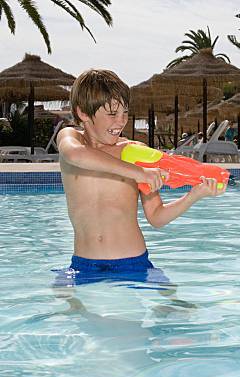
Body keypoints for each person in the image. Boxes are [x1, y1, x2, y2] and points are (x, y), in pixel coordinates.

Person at [56, 69, 225, 285]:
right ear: (83, 113)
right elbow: (76, 155)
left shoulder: (135, 152)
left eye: (125, 113)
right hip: (83, 265)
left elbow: (156, 216)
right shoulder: (71, 139)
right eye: (112, 114)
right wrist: (140, 173)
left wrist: (194, 195)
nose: (121, 121)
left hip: (133, 263)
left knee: (175, 311)